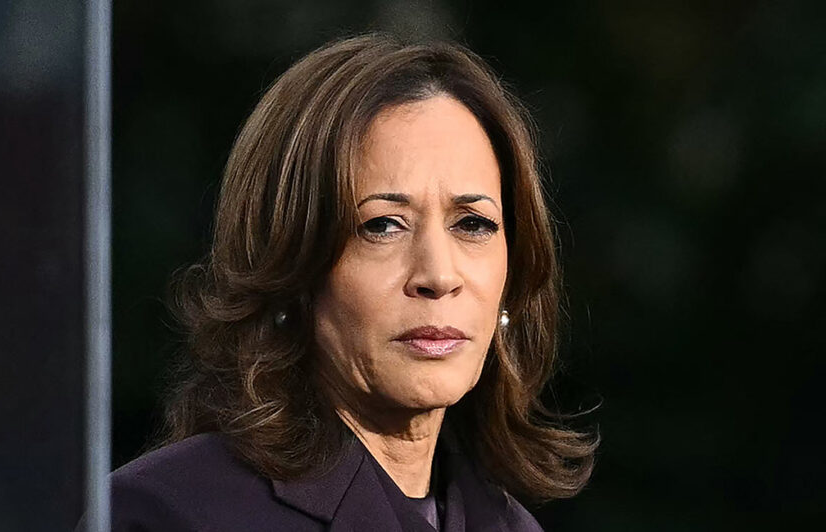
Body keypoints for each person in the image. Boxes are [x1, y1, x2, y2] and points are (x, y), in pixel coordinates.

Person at [111, 33, 597, 531]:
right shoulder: (164, 514)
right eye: (382, 225)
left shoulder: (510, 526)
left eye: (472, 223)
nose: (438, 275)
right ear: (291, 266)